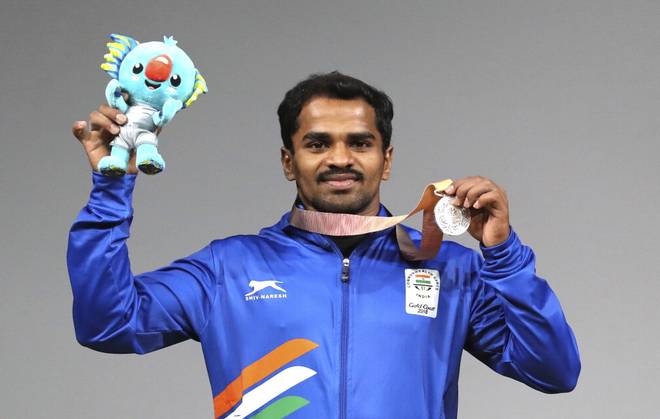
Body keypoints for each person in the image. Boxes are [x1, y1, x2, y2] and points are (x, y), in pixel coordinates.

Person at [68, 71, 580, 419]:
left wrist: (504, 254)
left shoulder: (451, 271)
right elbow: (107, 323)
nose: (340, 158)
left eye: (360, 142)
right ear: (289, 161)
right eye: (317, 143)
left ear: (387, 159)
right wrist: (112, 189)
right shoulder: (229, 268)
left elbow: (554, 370)